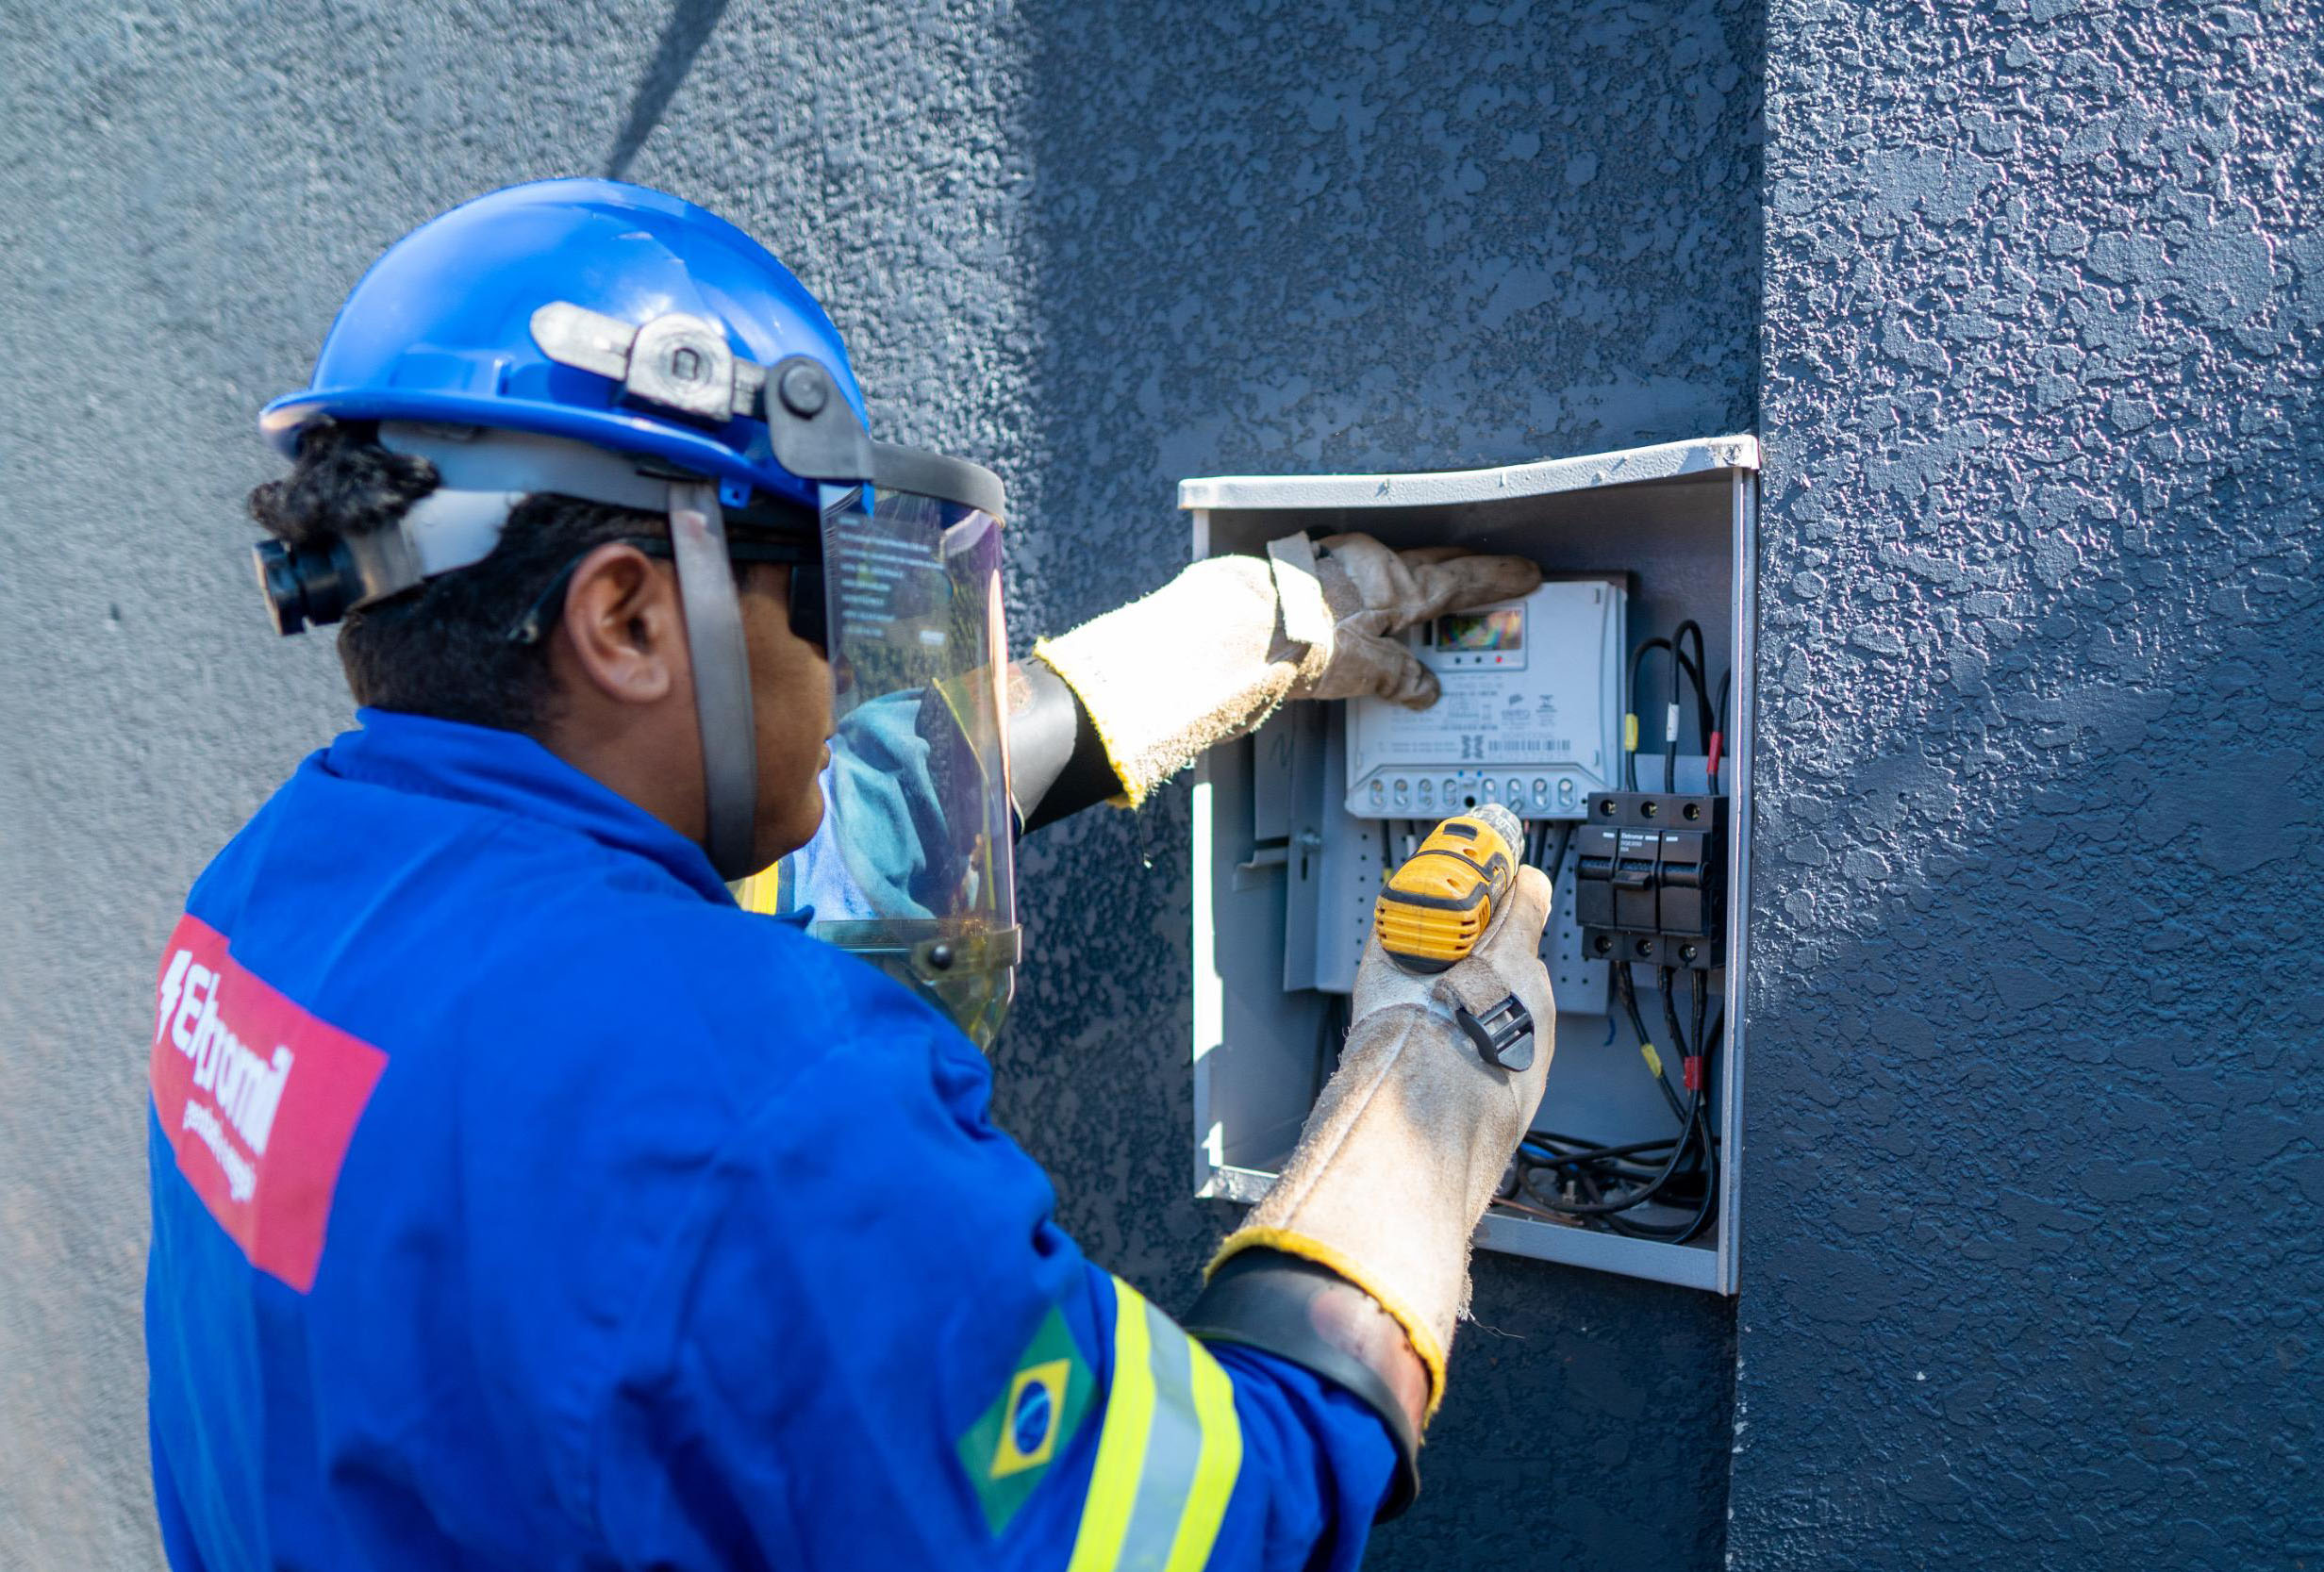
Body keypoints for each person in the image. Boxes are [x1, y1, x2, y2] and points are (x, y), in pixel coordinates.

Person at [145, 178, 1561, 1572]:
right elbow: (1225, 1523)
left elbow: (758, 891)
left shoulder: (266, 903)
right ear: (628, 617)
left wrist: (1207, 644)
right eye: (826, 593)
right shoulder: (761, 1117)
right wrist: (1423, 1089)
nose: (842, 677)